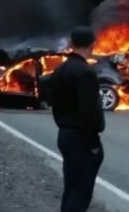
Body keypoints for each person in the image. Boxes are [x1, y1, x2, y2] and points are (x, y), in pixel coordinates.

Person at [50, 27, 105, 212]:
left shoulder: (59, 70)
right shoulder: (85, 72)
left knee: (71, 189)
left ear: (71, 44)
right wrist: (94, 143)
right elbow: (89, 112)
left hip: (65, 134)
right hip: (82, 139)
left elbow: (54, 103)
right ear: (92, 45)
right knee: (81, 193)